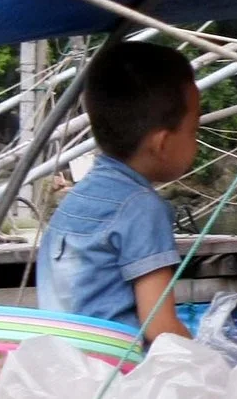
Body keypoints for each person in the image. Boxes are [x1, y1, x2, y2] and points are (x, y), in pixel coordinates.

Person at [35, 38, 198, 341]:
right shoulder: (142, 208)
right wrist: (210, 362)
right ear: (162, 144)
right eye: (193, 131)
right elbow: (160, 327)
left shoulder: (78, 198)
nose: (196, 143)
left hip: (64, 367)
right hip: (118, 375)